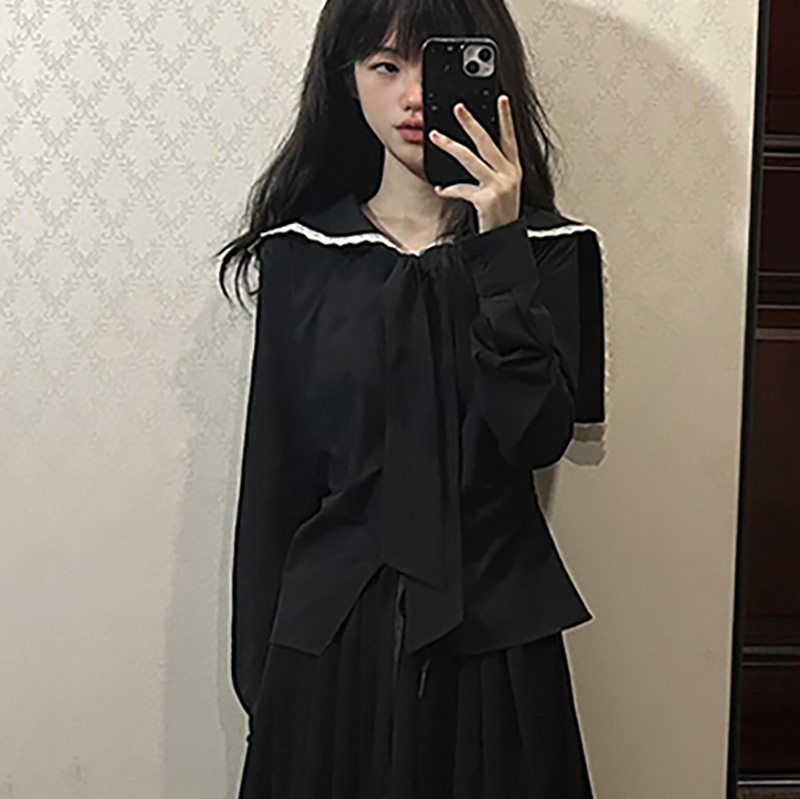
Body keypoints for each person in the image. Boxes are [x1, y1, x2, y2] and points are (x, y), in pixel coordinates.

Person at [216, 1, 608, 797]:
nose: (414, 95)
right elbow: (276, 480)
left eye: (436, 62)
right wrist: (263, 678)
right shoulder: (302, 258)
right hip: (332, 646)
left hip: (496, 648)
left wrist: (499, 244)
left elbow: (535, 438)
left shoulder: (552, 252)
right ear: (347, 81)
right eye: (385, 66)